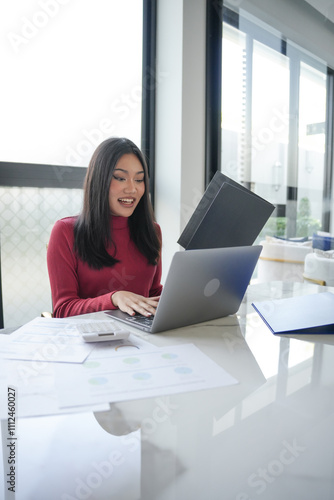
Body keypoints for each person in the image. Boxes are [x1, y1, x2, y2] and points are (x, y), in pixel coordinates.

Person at [47, 137, 163, 318]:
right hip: (91, 339)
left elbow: (153, 292)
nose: (132, 189)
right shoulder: (65, 232)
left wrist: (184, 295)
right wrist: (114, 298)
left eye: (139, 179)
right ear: (100, 180)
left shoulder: (152, 231)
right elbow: (63, 309)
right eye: (120, 178)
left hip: (143, 337)